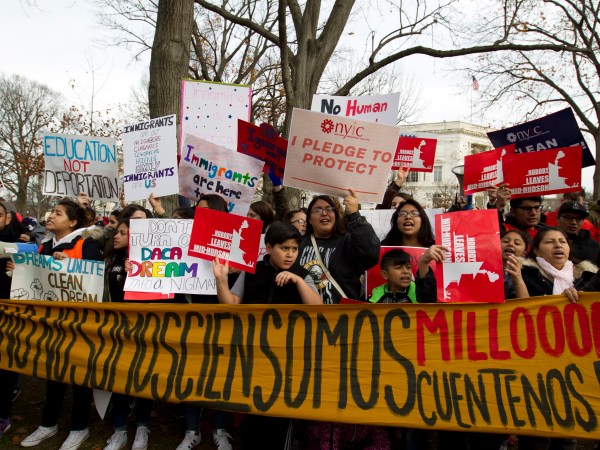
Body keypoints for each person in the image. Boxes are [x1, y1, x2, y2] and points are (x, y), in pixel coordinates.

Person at [213, 221, 321, 449]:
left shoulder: (302, 274)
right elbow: (231, 305)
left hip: (286, 360)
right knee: (252, 415)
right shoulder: (251, 271)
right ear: (269, 247)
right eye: (284, 248)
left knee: (279, 418)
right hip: (253, 357)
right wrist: (221, 280)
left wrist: (298, 281)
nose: (290, 254)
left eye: (294, 249)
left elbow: (317, 308)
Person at [19, 199, 102, 450]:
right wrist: (19, 271)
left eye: (58, 213)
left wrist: (69, 264)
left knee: (80, 377)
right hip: (53, 323)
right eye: (51, 212)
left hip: (80, 323)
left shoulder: (86, 243)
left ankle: (79, 428)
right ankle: (48, 423)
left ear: (73, 222)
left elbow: (94, 276)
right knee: (53, 373)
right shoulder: (43, 245)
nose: (51, 216)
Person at [298, 190, 380, 304]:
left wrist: (354, 215)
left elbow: (371, 254)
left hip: (343, 317)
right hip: (305, 317)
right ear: (310, 220)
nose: (324, 213)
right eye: (317, 210)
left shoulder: (347, 241)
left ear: (336, 216)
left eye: (329, 209)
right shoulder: (298, 244)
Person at [0, 201, 25, 438]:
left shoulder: (19, 246)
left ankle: (3, 416)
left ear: (7, 219)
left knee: (4, 365)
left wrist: (20, 269)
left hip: (8, 314)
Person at [521, 227, 597, 298]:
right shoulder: (524, 274)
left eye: (563, 241)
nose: (558, 245)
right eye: (550, 242)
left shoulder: (588, 275)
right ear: (536, 250)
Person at [554, 201, 600, 265]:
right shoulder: (547, 242)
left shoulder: (595, 247)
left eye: (578, 218)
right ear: (558, 219)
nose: (574, 222)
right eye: (568, 217)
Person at [500, 230, 530, 299]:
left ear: (525, 252)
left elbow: (526, 305)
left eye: (517, 243)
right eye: (505, 241)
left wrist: (517, 279)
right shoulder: (484, 268)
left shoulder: (529, 273)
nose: (510, 244)